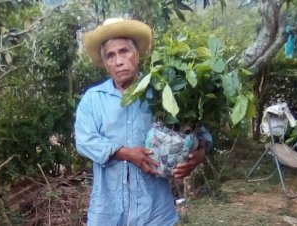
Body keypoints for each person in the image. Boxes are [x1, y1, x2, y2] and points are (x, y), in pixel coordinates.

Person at [74, 18, 206, 226]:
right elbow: (84, 141)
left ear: (137, 55)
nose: (118, 61)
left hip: (155, 212)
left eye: (124, 51)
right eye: (111, 55)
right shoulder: (93, 99)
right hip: (107, 213)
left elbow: (199, 133)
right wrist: (126, 153)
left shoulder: (163, 90)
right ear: (106, 64)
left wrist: (197, 155)